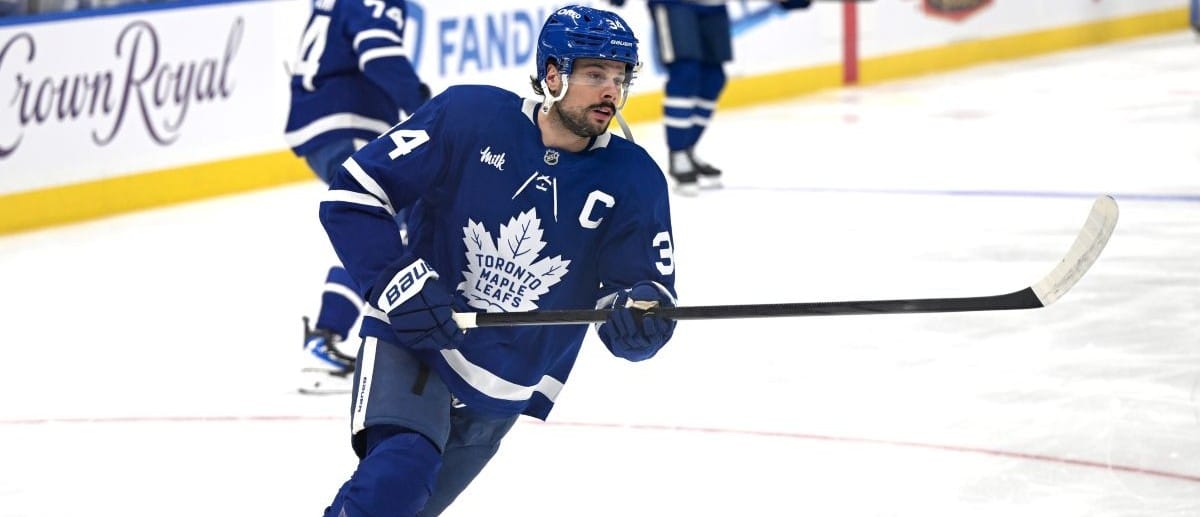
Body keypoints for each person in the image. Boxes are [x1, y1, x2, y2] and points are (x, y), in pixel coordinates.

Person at [317, 5, 679, 516]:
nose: (611, 92)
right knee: (393, 484)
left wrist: (640, 320)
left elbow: (643, 291)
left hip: (504, 380)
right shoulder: (470, 116)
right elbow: (352, 197)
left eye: (620, 77)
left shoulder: (633, 178)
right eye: (595, 74)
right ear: (553, 74)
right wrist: (396, 281)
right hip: (418, 341)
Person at [283, 0, 429, 393]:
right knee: (382, 227)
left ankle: (334, 336)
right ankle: (325, 339)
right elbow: (378, 51)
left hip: (322, 123)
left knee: (387, 222)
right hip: (348, 120)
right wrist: (426, 109)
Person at [608, 0, 810, 195]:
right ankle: (678, 152)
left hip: (714, 7)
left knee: (714, 78)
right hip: (674, 4)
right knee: (685, 73)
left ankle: (687, 149)